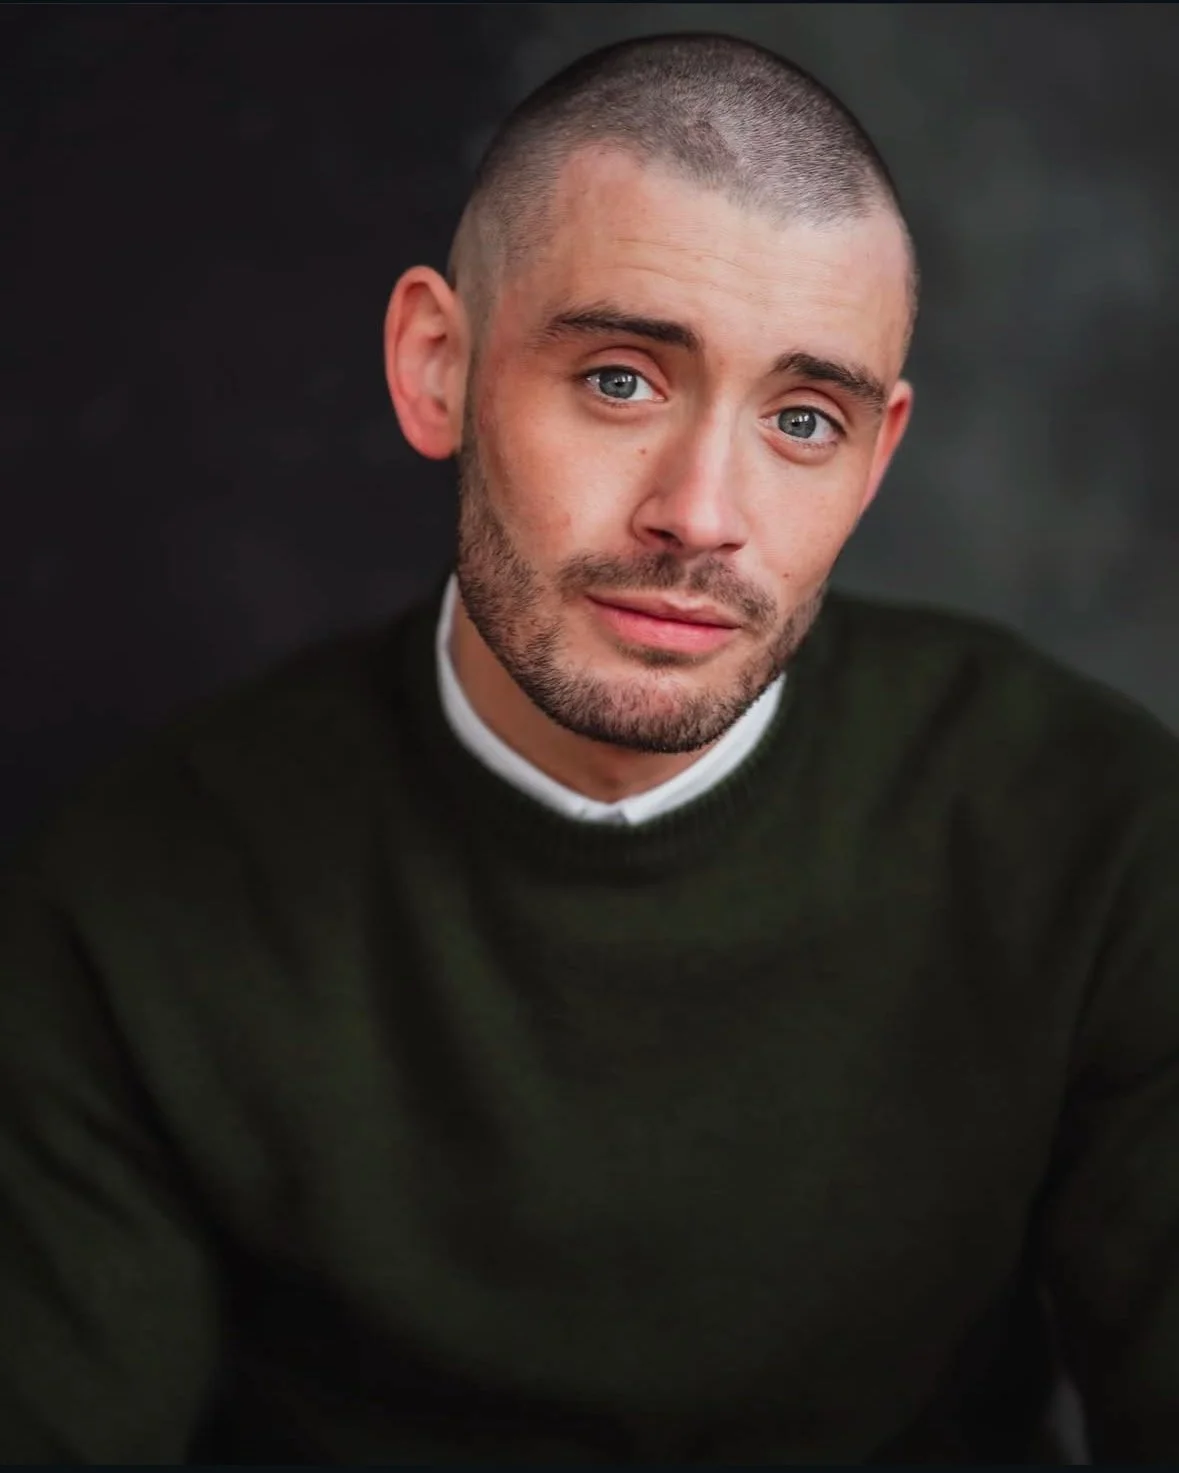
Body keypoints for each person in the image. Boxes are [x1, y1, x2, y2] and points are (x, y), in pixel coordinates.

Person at [1, 29, 1176, 1465]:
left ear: (874, 460)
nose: (700, 513)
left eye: (804, 419)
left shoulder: (1097, 840)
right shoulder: (126, 902)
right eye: (621, 379)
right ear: (437, 366)